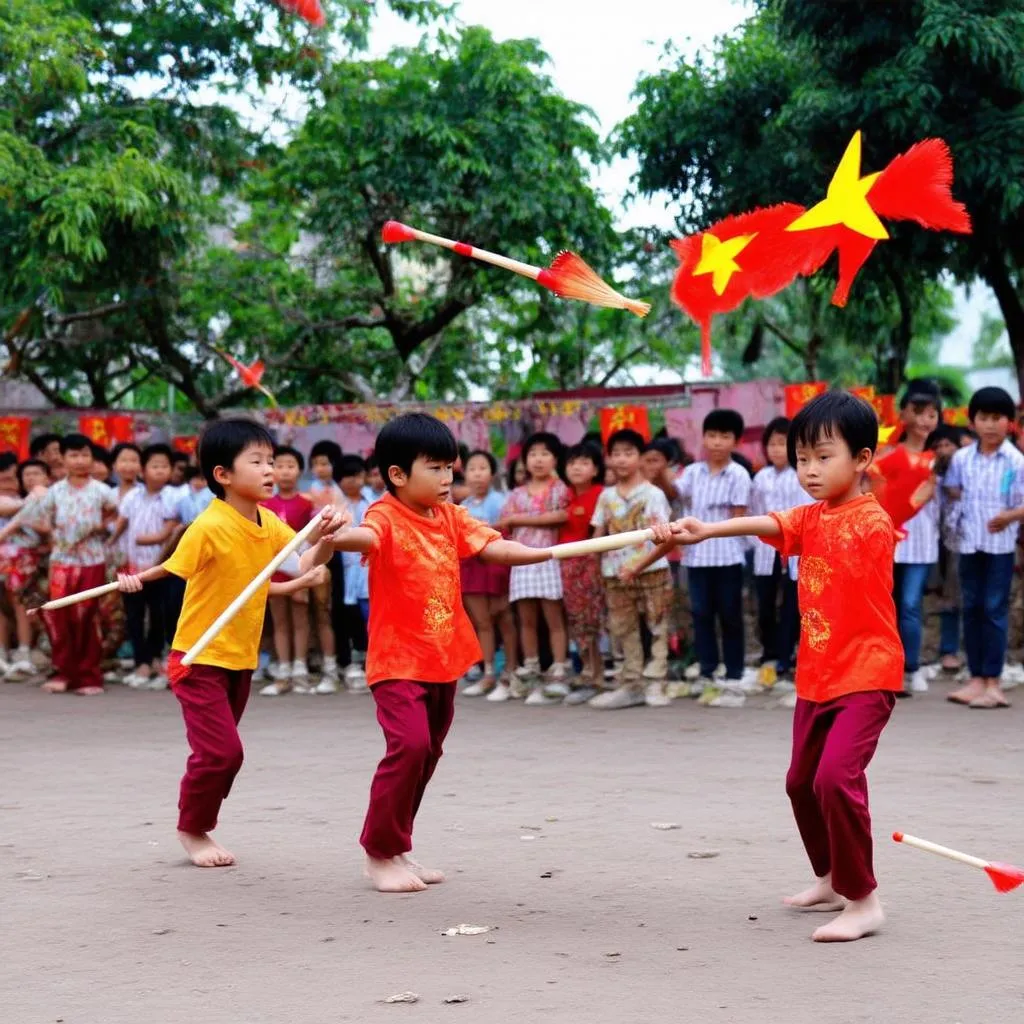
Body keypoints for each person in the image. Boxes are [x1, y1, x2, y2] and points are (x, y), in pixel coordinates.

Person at [648, 390, 902, 942]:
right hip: (817, 674)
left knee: (836, 779)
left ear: (862, 459)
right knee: (800, 783)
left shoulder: (870, 522)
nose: (809, 470)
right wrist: (707, 529)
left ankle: (865, 900)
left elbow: (795, 528)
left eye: (823, 457)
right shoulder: (813, 516)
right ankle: (831, 879)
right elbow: (769, 522)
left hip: (866, 673)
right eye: (803, 458)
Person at [328, 412, 556, 893]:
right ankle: (377, 852)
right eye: (436, 469)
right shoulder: (384, 515)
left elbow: (496, 548)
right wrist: (332, 536)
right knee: (408, 747)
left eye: (450, 469)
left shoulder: (450, 517)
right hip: (396, 661)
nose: (448, 479)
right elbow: (364, 539)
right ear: (398, 475)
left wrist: (555, 552)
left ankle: (397, 847)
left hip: (442, 657)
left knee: (427, 753)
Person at [115, 418, 347, 867]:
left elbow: (300, 564)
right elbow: (168, 571)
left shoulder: (270, 522)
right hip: (197, 658)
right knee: (223, 752)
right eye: (257, 462)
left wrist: (327, 540)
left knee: (223, 756)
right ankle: (193, 829)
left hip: (239, 660)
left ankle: (199, 822)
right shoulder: (208, 526)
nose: (270, 470)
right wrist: (132, 582)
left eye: (272, 461)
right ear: (222, 474)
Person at [943, 386, 1024, 709]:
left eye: (997, 418)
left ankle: (994, 681)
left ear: (1010, 422)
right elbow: (950, 489)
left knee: (994, 610)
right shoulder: (962, 459)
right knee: (972, 608)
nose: (990, 425)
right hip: (969, 543)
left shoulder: (1016, 461)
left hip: (1000, 547)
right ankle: (976, 677)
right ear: (972, 420)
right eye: (984, 418)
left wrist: (1009, 516)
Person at [26, 434, 119, 694]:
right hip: (62, 562)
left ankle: (89, 676)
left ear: (92, 457)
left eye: (85, 455)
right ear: (63, 459)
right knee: (60, 616)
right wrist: (50, 533)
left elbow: (115, 517)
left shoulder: (102, 491)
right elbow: (37, 518)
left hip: (92, 561)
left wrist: (101, 527)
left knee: (87, 617)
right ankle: (63, 672)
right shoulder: (54, 491)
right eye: (74, 456)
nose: (80, 461)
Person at [674, 409, 753, 706]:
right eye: (712, 435)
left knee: (730, 616)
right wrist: (657, 474)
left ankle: (734, 673)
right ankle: (707, 671)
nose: (717, 442)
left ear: (735, 441)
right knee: (701, 615)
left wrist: (709, 529)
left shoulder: (739, 475)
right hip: (696, 557)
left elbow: (737, 518)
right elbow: (674, 492)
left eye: (724, 436)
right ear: (704, 438)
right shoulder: (692, 472)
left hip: (728, 556)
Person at [591, 429, 673, 709]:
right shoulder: (605, 496)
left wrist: (638, 566)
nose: (622, 459)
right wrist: (593, 562)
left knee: (658, 625)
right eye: (616, 454)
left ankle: (656, 683)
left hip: (652, 570)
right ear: (609, 459)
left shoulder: (653, 494)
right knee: (623, 629)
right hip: (615, 574)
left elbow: (665, 540)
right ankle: (631, 684)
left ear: (640, 457)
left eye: (629, 453)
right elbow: (598, 535)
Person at [879, 380, 943, 696]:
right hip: (887, 540)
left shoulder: (939, 458)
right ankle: (886, 671)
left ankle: (912, 667)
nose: (924, 420)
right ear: (903, 414)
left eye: (931, 414)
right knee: (885, 606)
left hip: (920, 542)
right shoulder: (890, 455)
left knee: (909, 605)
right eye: (918, 412)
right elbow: (873, 486)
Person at [498, 432, 571, 700]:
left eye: (545, 454)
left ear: (555, 459)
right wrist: (518, 520)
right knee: (526, 620)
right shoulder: (516, 493)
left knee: (554, 619)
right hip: (521, 561)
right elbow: (506, 522)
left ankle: (559, 670)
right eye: (533, 454)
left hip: (548, 557)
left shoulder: (560, 488)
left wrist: (521, 519)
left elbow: (561, 515)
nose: (538, 460)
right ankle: (531, 669)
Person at [109, 443, 178, 688]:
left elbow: (169, 531)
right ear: (143, 469)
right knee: (134, 616)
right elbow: (122, 524)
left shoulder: (172, 496)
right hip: (132, 567)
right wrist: (111, 543)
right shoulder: (131, 497)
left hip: (160, 569)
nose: (160, 471)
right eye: (154, 466)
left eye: (165, 466)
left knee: (159, 615)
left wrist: (150, 539)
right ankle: (141, 663)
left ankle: (158, 660)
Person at [750, 416, 812, 688]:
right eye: (771, 444)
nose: (776, 449)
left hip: (796, 551)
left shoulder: (801, 474)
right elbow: (754, 511)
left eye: (782, 443)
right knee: (764, 606)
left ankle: (788, 659)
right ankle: (770, 654)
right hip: (766, 550)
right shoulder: (761, 476)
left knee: (792, 607)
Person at [458, 450, 517, 700]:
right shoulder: (462, 507)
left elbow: (505, 533)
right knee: (481, 622)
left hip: (495, 567)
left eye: (483, 468)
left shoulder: (502, 501)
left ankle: (512, 671)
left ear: (492, 474)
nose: (477, 474)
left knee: (504, 619)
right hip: (471, 568)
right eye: (472, 469)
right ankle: (488, 672)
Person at [259, 446, 315, 696]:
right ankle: (283, 670)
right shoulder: (264, 504)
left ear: (300, 471)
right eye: (278, 466)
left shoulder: (307, 504)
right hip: (274, 569)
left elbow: (312, 540)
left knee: (301, 619)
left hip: (300, 568)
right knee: (279, 620)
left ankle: (300, 669)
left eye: (290, 466)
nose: (284, 472)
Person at [557, 442, 606, 705]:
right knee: (576, 622)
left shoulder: (600, 493)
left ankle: (594, 676)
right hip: (566, 566)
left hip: (588, 565)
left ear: (596, 469)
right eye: (573, 462)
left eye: (584, 462)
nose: (577, 467)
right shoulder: (565, 495)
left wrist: (592, 564)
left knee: (589, 621)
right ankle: (588, 672)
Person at [0, 459, 51, 679]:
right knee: (2, 606)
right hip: (6, 561)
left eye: (36, 473)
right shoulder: (22, 501)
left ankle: (24, 653)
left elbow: (48, 530)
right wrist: (29, 502)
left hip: (31, 563)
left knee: (22, 606)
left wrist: (24, 522)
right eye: (27, 474)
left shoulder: (49, 500)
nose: (31, 478)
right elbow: (9, 509)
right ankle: (3, 653)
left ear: (46, 477)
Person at [305, 440, 343, 690]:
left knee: (324, 610)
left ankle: (331, 666)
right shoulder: (307, 494)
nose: (321, 468)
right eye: (316, 463)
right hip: (307, 554)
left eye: (326, 463)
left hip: (332, 552)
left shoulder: (338, 493)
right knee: (305, 611)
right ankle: (312, 659)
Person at [929, 425, 964, 671]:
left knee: (955, 596)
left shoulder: (968, 470)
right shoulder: (928, 473)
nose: (943, 451)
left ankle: (951, 651)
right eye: (938, 446)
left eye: (948, 445)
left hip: (959, 541)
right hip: (929, 540)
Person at [336, 454, 371, 692]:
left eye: (357, 475)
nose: (352, 481)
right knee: (348, 616)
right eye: (347, 476)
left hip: (369, 568)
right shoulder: (335, 506)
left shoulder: (373, 502)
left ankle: (372, 659)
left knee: (371, 614)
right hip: (345, 568)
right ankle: (351, 661)